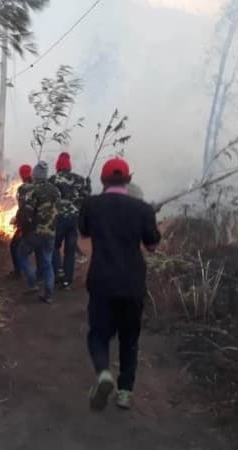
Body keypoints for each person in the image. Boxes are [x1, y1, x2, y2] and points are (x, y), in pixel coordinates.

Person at [78, 157, 161, 411]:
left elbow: (84, 233)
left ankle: (103, 373)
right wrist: (148, 216)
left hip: (102, 280)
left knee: (98, 335)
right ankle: (125, 392)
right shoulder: (142, 209)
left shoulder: (92, 205)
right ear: (128, 179)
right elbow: (152, 245)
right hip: (133, 283)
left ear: (103, 180)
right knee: (129, 339)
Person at [16, 161, 62, 303]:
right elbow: (57, 211)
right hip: (50, 233)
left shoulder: (33, 191)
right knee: (47, 262)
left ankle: (32, 282)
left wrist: (23, 229)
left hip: (35, 233)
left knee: (21, 254)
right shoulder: (56, 191)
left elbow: (27, 214)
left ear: (35, 175)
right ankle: (48, 294)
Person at [48, 152, 91, 289]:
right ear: (69, 165)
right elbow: (86, 197)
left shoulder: (53, 180)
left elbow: (48, 199)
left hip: (58, 219)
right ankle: (67, 280)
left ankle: (56, 272)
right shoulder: (79, 179)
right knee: (70, 250)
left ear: (58, 166)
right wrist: (88, 185)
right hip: (74, 220)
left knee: (54, 247)